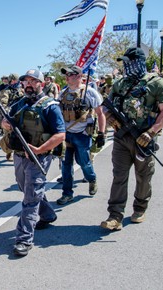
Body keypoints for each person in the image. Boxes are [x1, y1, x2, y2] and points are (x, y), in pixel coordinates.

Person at [100, 47, 163, 231]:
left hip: (144, 139)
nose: (126, 66)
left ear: (139, 62)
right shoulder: (119, 84)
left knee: (143, 177)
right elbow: (106, 107)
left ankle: (140, 208)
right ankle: (115, 216)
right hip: (121, 138)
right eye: (125, 63)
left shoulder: (157, 83)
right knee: (119, 176)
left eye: (129, 62)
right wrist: (110, 118)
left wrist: (151, 132)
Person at [1, 69, 65, 257]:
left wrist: (40, 150)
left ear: (41, 84)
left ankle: (24, 239)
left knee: (30, 197)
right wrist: (5, 124)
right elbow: (6, 121)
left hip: (39, 157)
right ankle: (48, 214)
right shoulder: (19, 104)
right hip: (20, 156)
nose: (28, 84)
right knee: (26, 187)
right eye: (26, 81)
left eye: (33, 81)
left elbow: (60, 134)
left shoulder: (50, 106)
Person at [56, 65, 106, 205]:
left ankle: (92, 179)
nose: (67, 77)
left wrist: (101, 133)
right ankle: (67, 194)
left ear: (79, 76)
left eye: (70, 74)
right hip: (66, 134)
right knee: (66, 165)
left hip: (83, 134)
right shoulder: (63, 93)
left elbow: (100, 114)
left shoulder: (90, 93)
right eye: (66, 74)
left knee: (83, 162)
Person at [0, 73, 24, 161]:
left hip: (20, 116)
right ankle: (9, 153)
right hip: (10, 116)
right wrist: (9, 114)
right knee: (8, 135)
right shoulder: (6, 91)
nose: (18, 82)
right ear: (12, 80)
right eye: (16, 80)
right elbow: (3, 104)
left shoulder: (21, 90)